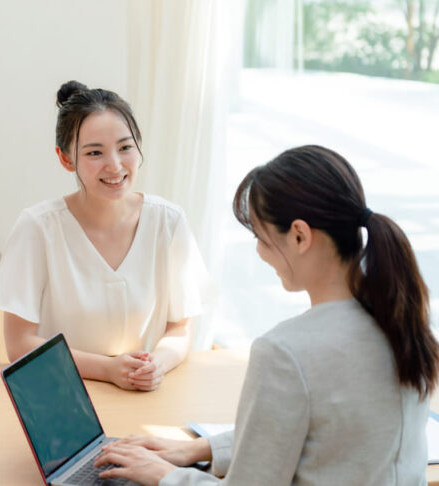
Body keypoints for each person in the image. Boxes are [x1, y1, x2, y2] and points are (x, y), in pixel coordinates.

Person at [95, 144, 438, 485]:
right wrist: (199, 450)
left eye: (260, 237)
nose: (259, 253)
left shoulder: (286, 352)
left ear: (300, 236)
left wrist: (165, 474)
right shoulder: (401, 318)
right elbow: (328, 435)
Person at [0, 80, 211, 392]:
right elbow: (19, 343)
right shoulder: (39, 228)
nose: (115, 165)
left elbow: (181, 326)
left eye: (125, 147)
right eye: (94, 152)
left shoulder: (168, 222)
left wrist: (158, 363)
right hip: (64, 393)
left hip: (145, 394)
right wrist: (107, 369)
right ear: (66, 159)